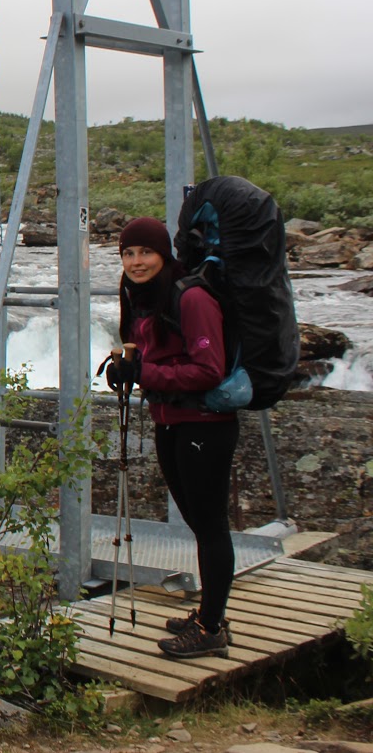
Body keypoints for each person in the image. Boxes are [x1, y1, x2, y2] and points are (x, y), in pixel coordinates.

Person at [106, 216, 235, 659]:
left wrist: (144, 372)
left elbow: (208, 369)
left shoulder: (192, 298)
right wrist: (126, 369)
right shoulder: (143, 296)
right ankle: (210, 613)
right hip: (171, 420)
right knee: (200, 524)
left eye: (145, 252)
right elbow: (153, 355)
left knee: (210, 525)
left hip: (204, 425)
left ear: (164, 254)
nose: (136, 261)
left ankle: (212, 628)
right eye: (128, 253)